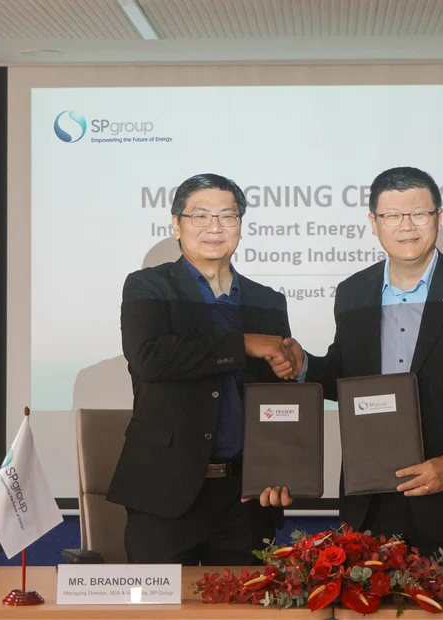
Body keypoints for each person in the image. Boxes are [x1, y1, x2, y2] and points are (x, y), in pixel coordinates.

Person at [290, 166, 443, 566]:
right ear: (374, 223)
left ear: (438, 217)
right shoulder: (353, 293)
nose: (407, 226)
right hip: (370, 499)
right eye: (392, 216)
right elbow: (346, 379)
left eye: (419, 213)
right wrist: (305, 367)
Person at [107, 173, 299, 565]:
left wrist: (279, 467)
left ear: (240, 228)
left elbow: (278, 400)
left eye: (227, 216)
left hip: (246, 497)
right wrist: (244, 343)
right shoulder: (148, 287)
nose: (215, 227)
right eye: (201, 216)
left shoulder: (267, 301)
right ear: (176, 224)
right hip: (165, 491)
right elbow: (152, 359)